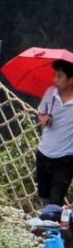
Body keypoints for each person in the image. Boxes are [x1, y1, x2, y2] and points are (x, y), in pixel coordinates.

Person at [35, 59, 73, 207]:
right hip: (44, 152)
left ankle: (51, 227)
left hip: (65, 158)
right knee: (43, 196)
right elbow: (40, 112)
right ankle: (49, 225)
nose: (54, 80)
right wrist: (43, 119)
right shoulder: (50, 93)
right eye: (54, 75)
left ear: (71, 79)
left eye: (59, 76)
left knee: (56, 199)